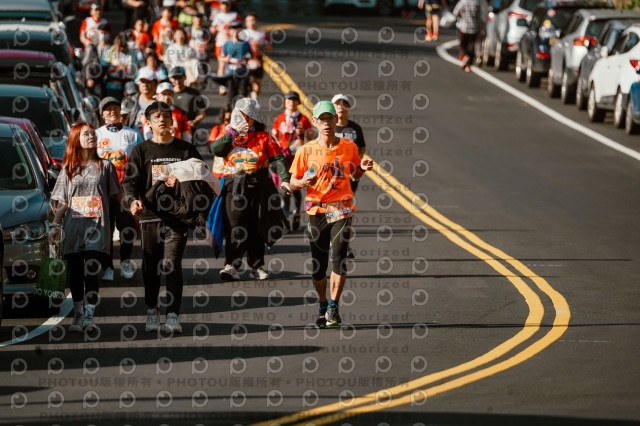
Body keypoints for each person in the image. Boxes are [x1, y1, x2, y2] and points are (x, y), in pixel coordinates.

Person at [289, 101, 373, 327]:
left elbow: (354, 173)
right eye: (322, 119)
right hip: (317, 211)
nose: (326, 123)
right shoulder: (305, 150)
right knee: (318, 266)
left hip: (342, 209)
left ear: (336, 120)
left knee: (340, 257)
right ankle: (323, 304)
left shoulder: (349, 146)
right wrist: (303, 182)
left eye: (330, 118)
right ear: (314, 122)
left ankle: (334, 306)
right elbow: (293, 182)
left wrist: (363, 168)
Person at [123, 101, 203, 334]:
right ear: (148, 122)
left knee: (171, 264)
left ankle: (172, 315)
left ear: (172, 120)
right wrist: (133, 200)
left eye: (166, 116)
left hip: (178, 217)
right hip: (150, 216)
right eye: (157, 117)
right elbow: (130, 182)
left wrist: (183, 183)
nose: (162, 120)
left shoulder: (186, 150)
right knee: (151, 267)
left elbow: (202, 179)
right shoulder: (141, 151)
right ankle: (152, 309)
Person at [48, 122, 125, 332]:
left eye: (92, 133)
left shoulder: (106, 166)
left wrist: (133, 204)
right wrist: (54, 226)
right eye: (85, 134)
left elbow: (118, 194)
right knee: (75, 274)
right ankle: (78, 314)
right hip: (73, 228)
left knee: (91, 270)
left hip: (98, 228)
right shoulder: (68, 168)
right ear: (76, 139)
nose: (91, 136)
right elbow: (63, 201)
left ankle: (89, 315)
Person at [209, 98, 290, 281]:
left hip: (259, 186)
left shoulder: (264, 137)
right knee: (235, 226)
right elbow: (216, 149)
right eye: (241, 115)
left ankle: (256, 266)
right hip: (234, 187)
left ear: (254, 118)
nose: (244, 119)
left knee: (258, 226)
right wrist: (233, 133)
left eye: (248, 116)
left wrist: (285, 179)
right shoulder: (227, 133)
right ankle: (231, 265)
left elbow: (278, 159)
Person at [95, 97, 142, 281]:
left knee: (126, 227)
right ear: (102, 114)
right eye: (108, 109)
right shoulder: (96, 134)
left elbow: (141, 161)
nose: (112, 112)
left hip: (125, 189)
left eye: (115, 108)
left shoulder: (133, 134)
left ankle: (125, 262)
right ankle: (107, 266)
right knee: (105, 229)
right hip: (103, 189)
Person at [271, 91, 312, 231]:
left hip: (297, 157)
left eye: (294, 100)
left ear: (298, 103)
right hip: (284, 156)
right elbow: (274, 136)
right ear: (284, 102)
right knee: (285, 186)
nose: (291, 102)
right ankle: (285, 216)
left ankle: (297, 213)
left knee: (296, 187)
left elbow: (311, 138)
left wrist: (303, 133)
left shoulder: (304, 119)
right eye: (288, 100)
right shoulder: (279, 118)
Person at [211, 21, 251, 108]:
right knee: (231, 96)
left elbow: (249, 55)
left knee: (242, 95)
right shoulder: (227, 43)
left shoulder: (245, 44)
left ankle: (241, 112)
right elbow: (221, 57)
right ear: (230, 31)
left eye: (238, 29)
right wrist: (228, 59)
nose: (235, 32)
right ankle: (230, 111)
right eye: (233, 29)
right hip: (230, 73)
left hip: (242, 73)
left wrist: (245, 59)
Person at [243, 13, 271, 107]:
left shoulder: (262, 34)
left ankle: (256, 96)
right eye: (249, 20)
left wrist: (260, 45)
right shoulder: (242, 33)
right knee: (248, 81)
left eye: (253, 20)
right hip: (246, 60)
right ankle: (249, 100)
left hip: (258, 59)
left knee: (258, 82)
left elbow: (269, 47)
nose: (252, 22)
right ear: (246, 22)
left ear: (257, 21)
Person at [122, 67, 157, 136]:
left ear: (155, 84)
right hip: (133, 140)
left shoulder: (161, 103)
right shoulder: (129, 102)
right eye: (142, 81)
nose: (145, 85)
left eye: (148, 81)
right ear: (138, 84)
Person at [170, 66, 207, 131]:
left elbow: (202, 114)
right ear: (171, 79)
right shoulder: (167, 94)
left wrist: (194, 122)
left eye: (180, 78)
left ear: (185, 77)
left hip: (189, 130)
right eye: (175, 78)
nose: (177, 81)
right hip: (172, 131)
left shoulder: (194, 93)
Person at [453, 0, 484, 72]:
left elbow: (455, 13)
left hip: (463, 27)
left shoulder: (462, 2)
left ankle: (464, 57)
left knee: (463, 45)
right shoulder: (476, 2)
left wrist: (460, 16)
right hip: (474, 27)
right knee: (471, 45)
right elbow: (479, 16)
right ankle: (468, 65)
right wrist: (480, 28)